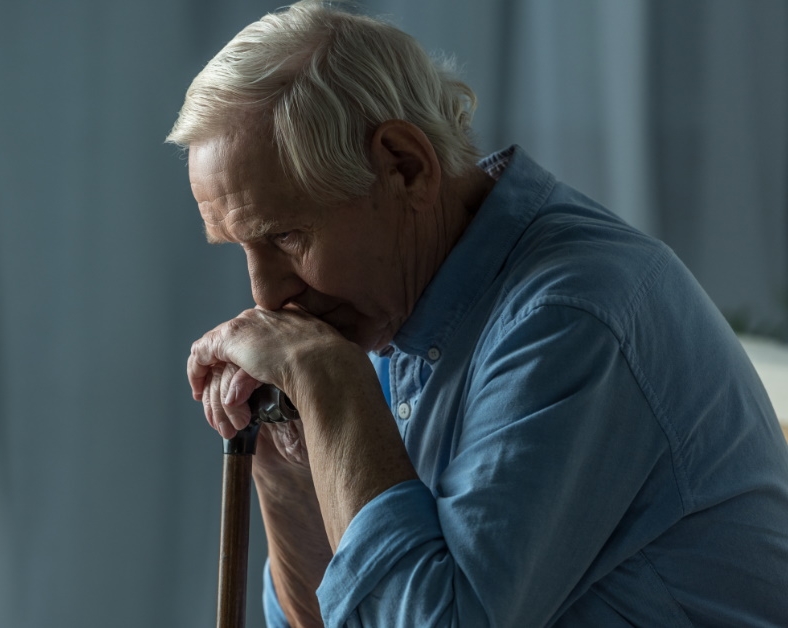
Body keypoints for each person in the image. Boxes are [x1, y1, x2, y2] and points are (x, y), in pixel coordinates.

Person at [166, 2, 788, 626]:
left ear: (405, 167)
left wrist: (330, 383)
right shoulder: (387, 308)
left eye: (286, 237)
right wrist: (283, 458)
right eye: (242, 247)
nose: (267, 297)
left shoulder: (570, 315)